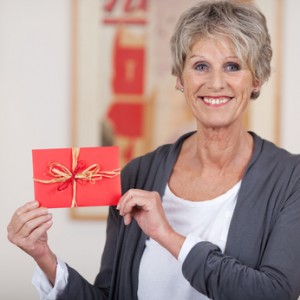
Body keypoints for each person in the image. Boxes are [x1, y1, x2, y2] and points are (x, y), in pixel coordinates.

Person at [7, 1, 300, 299]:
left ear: (257, 78)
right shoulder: (137, 174)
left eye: (233, 66)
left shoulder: (291, 178)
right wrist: (44, 257)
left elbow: (275, 293)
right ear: (179, 78)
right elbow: (112, 295)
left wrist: (167, 235)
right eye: (200, 66)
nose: (215, 82)